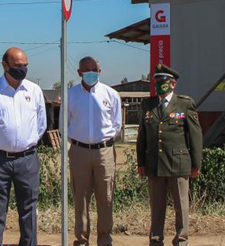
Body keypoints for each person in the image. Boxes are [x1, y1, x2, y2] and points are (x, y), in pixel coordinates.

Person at [0, 47, 47, 246]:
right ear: (5, 65)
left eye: (25, 66)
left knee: (28, 209)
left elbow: (41, 125)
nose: (22, 69)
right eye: (17, 66)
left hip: (28, 159)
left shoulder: (34, 90)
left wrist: (25, 143)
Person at [137, 64, 202, 246]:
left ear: (173, 84)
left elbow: (195, 135)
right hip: (154, 164)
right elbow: (142, 136)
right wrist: (141, 162)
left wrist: (196, 163)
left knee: (181, 206)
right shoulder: (148, 105)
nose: (159, 85)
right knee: (156, 208)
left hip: (178, 163)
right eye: (156, 81)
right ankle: (156, 240)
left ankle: (181, 239)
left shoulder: (184, 104)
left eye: (163, 81)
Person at [64, 57, 122, 246]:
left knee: (105, 197)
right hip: (79, 151)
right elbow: (63, 124)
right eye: (86, 69)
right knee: (80, 198)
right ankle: (81, 239)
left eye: (94, 69)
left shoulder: (111, 94)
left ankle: (105, 239)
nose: (91, 72)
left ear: (100, 71)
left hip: (104, 152)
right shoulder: (70, 95)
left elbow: (116, 124)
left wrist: (103, 140)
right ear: (79, 72)